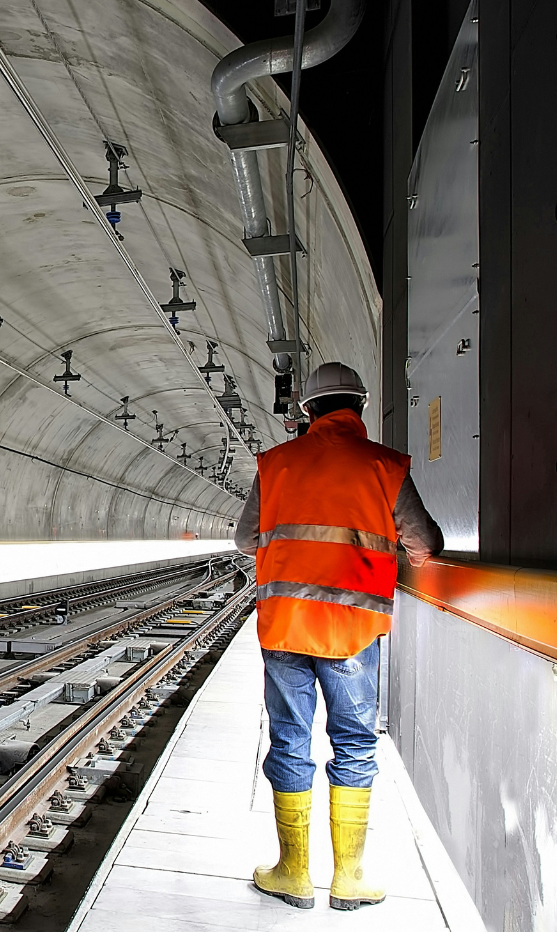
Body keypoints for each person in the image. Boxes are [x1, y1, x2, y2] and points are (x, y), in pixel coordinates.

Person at [234, 361, 443, 911]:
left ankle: (292, 872)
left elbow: (243, 538)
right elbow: (426, 542)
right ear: (361, 406)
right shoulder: (385, 466)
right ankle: (348, 877)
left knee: (290, 738)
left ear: (306, 411)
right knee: (353, 742)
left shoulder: (274, 464)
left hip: (284, 628)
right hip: (352, 631)